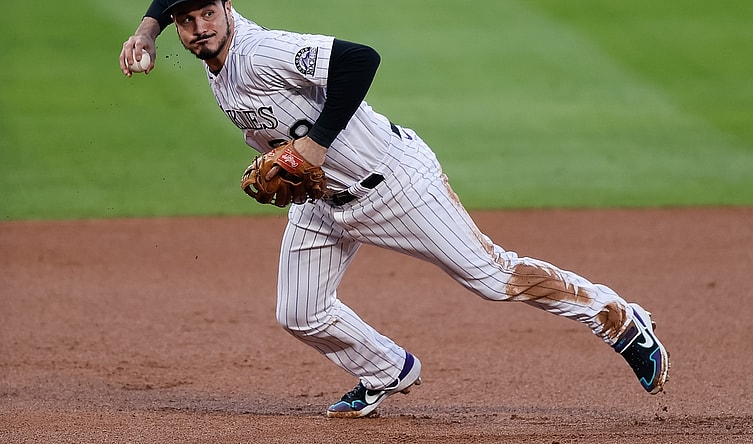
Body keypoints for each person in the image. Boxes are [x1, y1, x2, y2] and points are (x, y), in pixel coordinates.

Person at [119, 0, 670, 418]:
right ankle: (387, 370)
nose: (199, 29)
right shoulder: (212, 60)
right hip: (322, 202)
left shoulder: (261, 53)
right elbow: (174, 2)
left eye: (206, 14)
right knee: (300, 311)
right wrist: (147, 28)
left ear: (226, 6)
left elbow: (362, 60)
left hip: (396, 184)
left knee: (493, 277)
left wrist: (313, 146)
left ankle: (618, 318)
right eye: (185, 21)